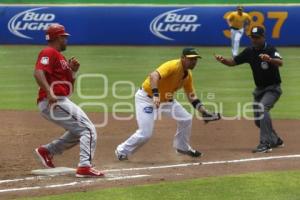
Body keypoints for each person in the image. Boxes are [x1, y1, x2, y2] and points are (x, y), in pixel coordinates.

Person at [115, 48, 220, 160]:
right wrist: (156, 94)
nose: (194, 62)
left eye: (195, 59)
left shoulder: (188, 76)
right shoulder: (173, 66)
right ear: (183, 58)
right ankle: (121, 151)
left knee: (186, 118)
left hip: (166, 101)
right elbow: (153, 76)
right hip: (147, 99)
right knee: (145, 134)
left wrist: (203, 111)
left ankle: (182, 146)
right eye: (191, 59)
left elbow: (191, 95)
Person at [33, 23, 104, 177]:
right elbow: (38, 73)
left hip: (60, 99)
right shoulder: (49, 52)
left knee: (79, 131)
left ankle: (47, 151)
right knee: (88, 129)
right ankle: (85, 167)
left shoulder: (61, 58)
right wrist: (49, 91)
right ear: (58, 37)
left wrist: (72, 72)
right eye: (64, 37)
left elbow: (69, 89)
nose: (66, 40)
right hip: (53, 100)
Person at [215, 26, 284, 153]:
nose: (254, 40)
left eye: (257, 37)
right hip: (259, 90)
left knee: (263, 108)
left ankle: (265, 143)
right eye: (252, 37)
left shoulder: (270, 49)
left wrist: (269, 59)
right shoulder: (249, 51)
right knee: (258, 121)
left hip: (273, 88)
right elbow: (233, 62)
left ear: (263, 37)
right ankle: (275, 139)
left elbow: (280, 62)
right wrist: (223, 60)